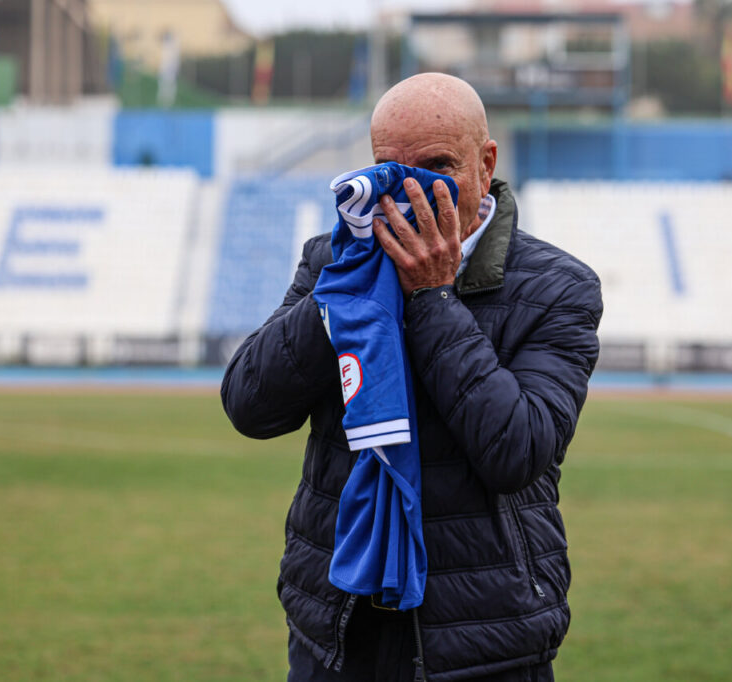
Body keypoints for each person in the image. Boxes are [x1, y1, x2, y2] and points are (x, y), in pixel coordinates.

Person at [221, 73, 602, 681]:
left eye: (437, 165)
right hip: (337, 626)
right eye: (388, 169)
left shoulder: (557, 287)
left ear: (486, 164)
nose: (407, 190)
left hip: (484, 637)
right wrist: (343, 293)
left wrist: (432, 297)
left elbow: (517, 450)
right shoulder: (333, 258)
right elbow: (249, 405)